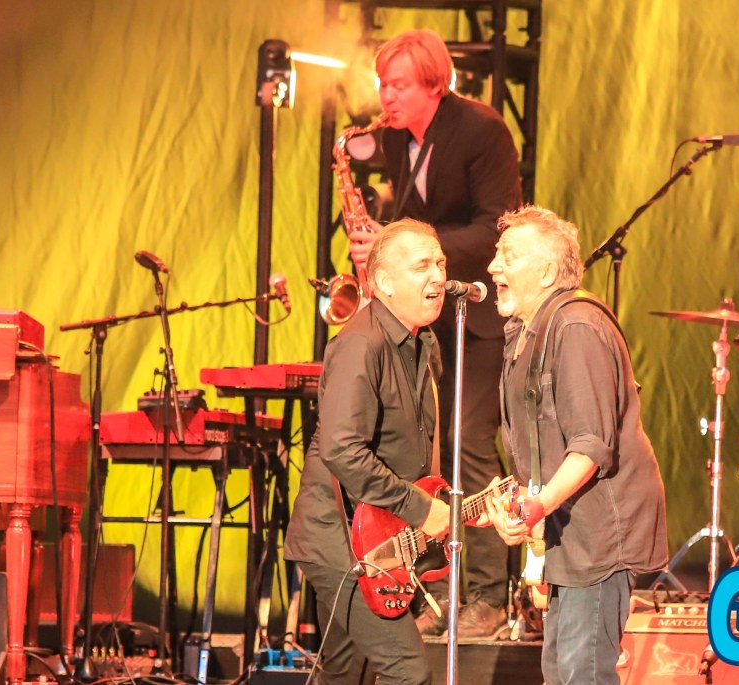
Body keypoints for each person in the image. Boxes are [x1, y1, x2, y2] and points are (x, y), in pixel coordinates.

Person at [348, 27, 522, 639]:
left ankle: (490, 597)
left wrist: (408, 246)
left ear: (434, 84)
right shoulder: (399, 140)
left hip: (478, 315)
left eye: (398, 85)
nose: (386, 97)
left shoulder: (481, 130)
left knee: (470, 443)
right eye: (382, 85)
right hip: (428, 319)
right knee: (422, 453)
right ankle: (429, 585)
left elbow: (496, 227)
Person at [483, 206, 668, 685]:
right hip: (568, 534)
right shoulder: (531, 331)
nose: (493, 266)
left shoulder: (576, 326)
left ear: (546, 272)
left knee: (581, 674)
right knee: (560, 671)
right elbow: (541, 446)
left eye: (507, 256)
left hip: (600, 534)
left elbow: (590, 445)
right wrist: (515, 503)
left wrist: (536, 506)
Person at [284, 219, 450, 684]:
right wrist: (420, 509)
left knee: (345, 674)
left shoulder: (423, 344)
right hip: (340, 543)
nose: (438, 276)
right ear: (383, 282)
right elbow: (342, 450)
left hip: (376, 538)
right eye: (422, 266)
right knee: (409, 674)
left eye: (440, 263)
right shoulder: (361, 343)